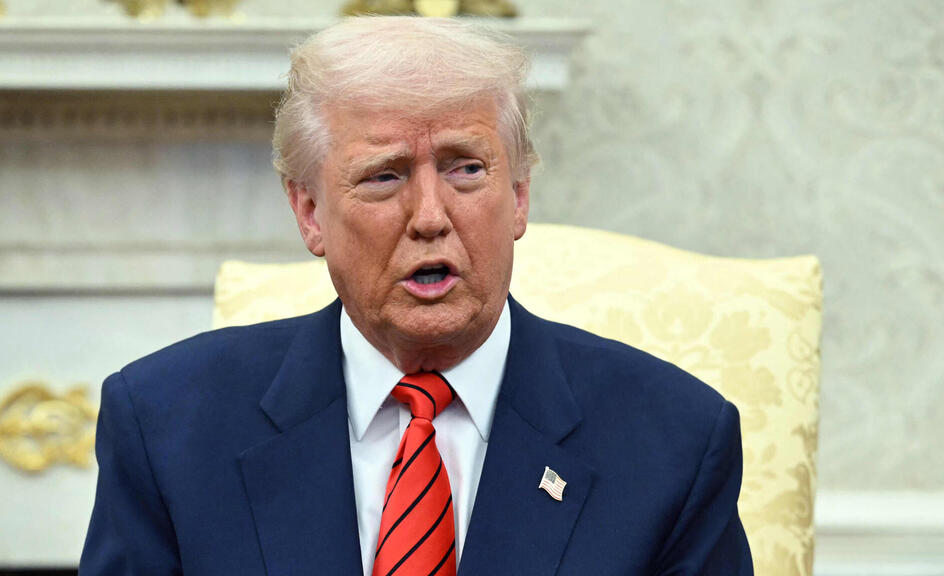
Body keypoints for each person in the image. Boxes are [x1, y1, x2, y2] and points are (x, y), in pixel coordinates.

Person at [80, 16, 753, 576]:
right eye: (383, 176)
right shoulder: (167, 427)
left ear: (518, 196)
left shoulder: (674, 444)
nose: (430, 215)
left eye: (466, 168)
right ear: (310, 211)